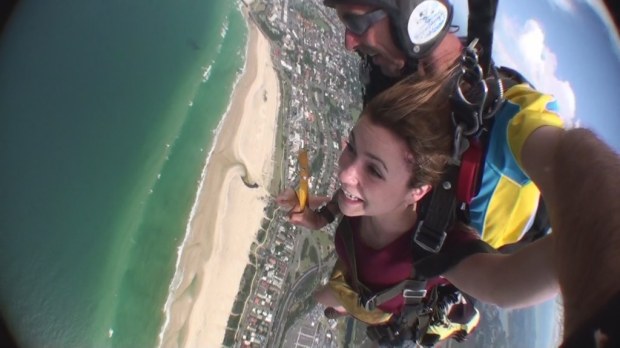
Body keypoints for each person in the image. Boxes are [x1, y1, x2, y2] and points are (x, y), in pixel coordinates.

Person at [278, 67, 562, 346]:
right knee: (329, 299)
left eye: (375, 171)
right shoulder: (364, 200)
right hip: (355, 279)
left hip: (383, 310)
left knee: (341, 309)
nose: (345, 174)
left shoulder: (435, 245)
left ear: (417, 192)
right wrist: (320, 218)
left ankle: (455, 316)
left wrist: (586, 250)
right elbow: (344, 199)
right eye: (351, 146)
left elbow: (503, 285)